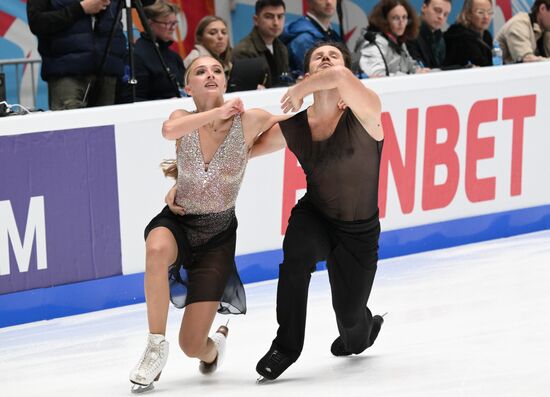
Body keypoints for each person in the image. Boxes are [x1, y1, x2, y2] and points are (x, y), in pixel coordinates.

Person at [128, 55, 286, 392]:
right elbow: (169, 131)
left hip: (217, 237)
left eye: (216, 70)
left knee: (192, 345)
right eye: (200, 71)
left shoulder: (250, 119)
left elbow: (296, 125)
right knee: (156, 248)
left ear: (226, 83)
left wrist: (335, 102)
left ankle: (215, 348)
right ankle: (155, 346)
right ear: (189, 86)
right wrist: (219, 112)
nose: (210, 74)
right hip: (178, 222)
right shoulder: (181, 118)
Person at [251, 41, 386, 381]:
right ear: (308, 72)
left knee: (352, 324)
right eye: (318, 56)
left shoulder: (367, 109)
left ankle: (364, 328)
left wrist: (299, 89)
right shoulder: (294, 125)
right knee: (295, 258)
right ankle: (286, 346)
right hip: (317, 215)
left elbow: (338, 76)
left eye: (334, 55)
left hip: (359, 232)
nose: (327, 59)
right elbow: (245, 153)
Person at [27, 0, 126, 110]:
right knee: (70, 124)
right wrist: (80, 9)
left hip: (108, 69)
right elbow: (37, 23)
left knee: (108, 124)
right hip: (67, 72)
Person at [122, 0, 185, 102]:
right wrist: (165, 103)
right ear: (150, 23)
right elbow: (132, 98)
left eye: (175, 23)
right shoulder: (136, 56)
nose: (173, 28)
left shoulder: (174, 57)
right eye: (168, 23)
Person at [357, 0, 427, 77]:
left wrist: (419, 71)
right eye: (396, 18)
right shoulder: (373, 43)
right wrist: (409, 76)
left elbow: (410, 65)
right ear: (385, 20)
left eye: (404, 17)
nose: (401, 22)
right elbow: (376, 75)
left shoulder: (398, 41)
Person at [233, 0, 291, 88]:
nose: (276, 23)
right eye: (269, 17)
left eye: (280, 16)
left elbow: (285, 80)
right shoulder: (243, 51)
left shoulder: (281, 48)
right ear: (256, 20)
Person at [281, 0, 344, 76]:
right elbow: (315, 77)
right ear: (309, 1)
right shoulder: (303, 39)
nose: (329, 2)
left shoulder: (331, 33)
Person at [443, 0, 494, 67]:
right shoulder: (459, 37)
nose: (486, 17)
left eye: (489, 12)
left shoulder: (486, 35)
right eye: (480, 12)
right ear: (468, 14)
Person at [407, 0, 452, 69]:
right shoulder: (409, 32)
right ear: (424, 8)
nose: (441, 17)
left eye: (445, 14)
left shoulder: (440, 36)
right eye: (437, 10)